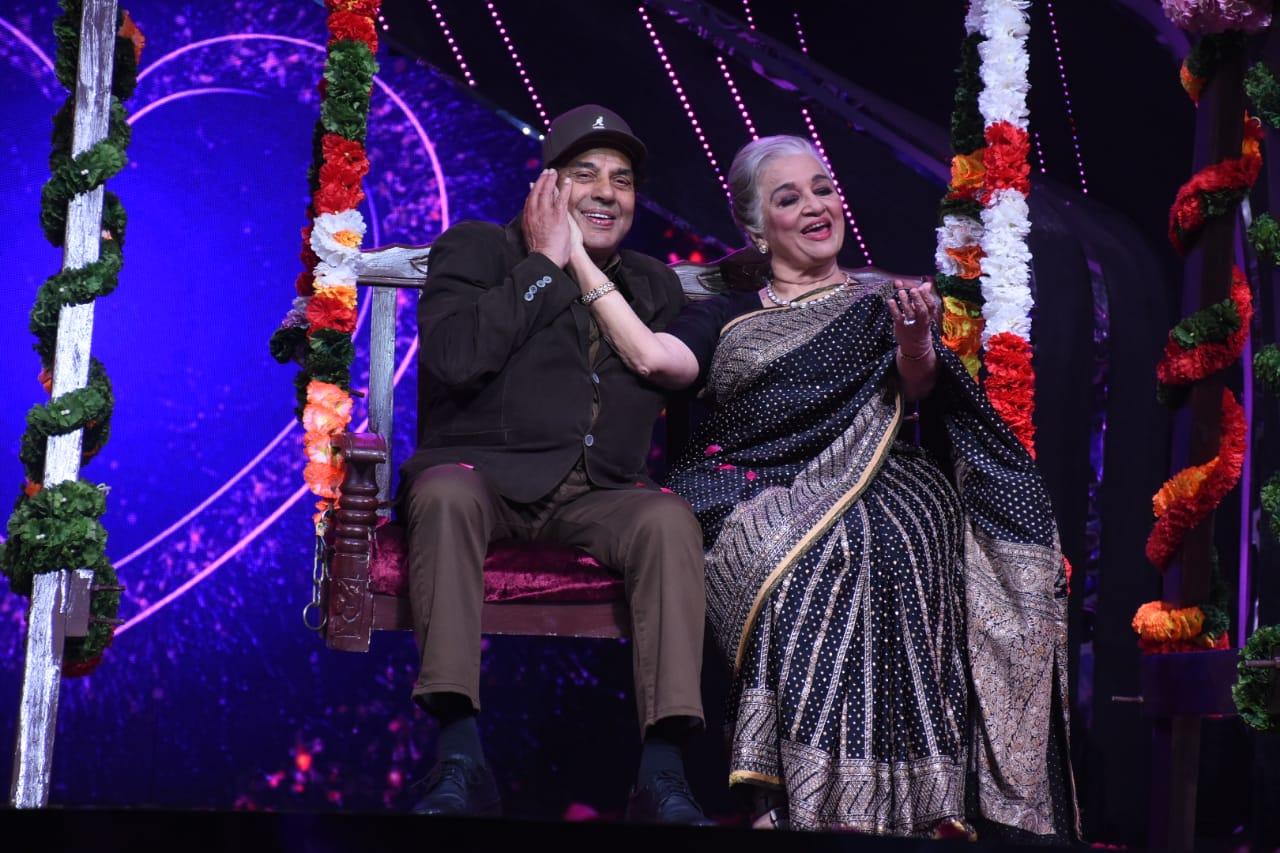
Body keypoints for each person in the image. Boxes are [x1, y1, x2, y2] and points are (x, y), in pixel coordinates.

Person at [572, 134, 1078, 838]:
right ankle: (793, 796)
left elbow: (919, 386)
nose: (815, 206)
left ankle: (916, 804)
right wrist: (576, 261)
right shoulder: (726, 313)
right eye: (789, 198)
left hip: (884, 477)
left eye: (821, 188)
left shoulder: (881, 301)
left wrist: (913, 341)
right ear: (754, 227)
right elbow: (659, 361)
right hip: (751, 483)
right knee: (817, 551)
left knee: (895, 530)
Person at [400, 105, 711, 825]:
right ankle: (459, 755)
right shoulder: (479, 249)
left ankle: (662, 772)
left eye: (623, 181)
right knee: (444, 495)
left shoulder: (652, 284)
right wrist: (544, 262)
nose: (607, 192)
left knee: (667, 517)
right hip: (486, 478)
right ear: (546, 186)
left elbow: (676, 371)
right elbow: (453, 359)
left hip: (598, 490)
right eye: (586, 174)